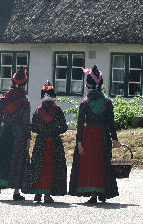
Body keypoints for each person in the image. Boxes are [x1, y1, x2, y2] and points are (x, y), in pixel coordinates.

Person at [69, 65, 121, 203]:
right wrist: (115, 139)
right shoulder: (107, 102)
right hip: (103, 136)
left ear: (88, 85)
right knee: (102, 163)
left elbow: (80, 123)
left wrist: (79, 141)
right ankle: (102, 192)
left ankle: (93, 194)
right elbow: (111, 123)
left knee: (91, 165)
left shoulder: (85, 103)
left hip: (89, 136)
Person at [0, 66, 31, 201]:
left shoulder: (4, 99)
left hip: (4, 133)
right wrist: (28, 138)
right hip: (18, 134)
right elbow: (25, 122)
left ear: (12, 82)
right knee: (18, 161)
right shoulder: (24, 102)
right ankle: (16, 192)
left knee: (1, 160)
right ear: (24, 85)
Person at [22, 82, 68, 203]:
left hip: (41, 142)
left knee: (38, 166)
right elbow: (64, 127)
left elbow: (34, 128)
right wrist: (54, 131)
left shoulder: (38, 111)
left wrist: (41, 130)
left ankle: (37, 193)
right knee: (50, 167)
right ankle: (47, 194)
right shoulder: (57, 110)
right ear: (53, 96)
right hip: (54, 142)